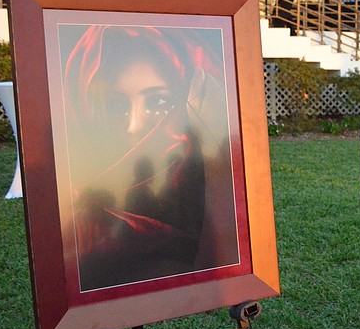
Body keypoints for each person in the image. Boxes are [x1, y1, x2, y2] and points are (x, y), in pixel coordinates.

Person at [60, 25, 240, 290]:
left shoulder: (214, 187)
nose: (135, 126)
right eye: (117, 104)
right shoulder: (74, 216)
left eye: (158, 103)